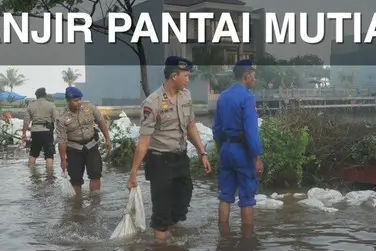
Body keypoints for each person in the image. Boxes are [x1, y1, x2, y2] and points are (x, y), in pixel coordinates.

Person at [127, 56, 212, 240]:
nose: (188, 79)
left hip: (180, 157)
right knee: (162, 211)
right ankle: (162, 250)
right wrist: (134, 172)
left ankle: (167, 235)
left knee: (182, 204)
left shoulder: (185, 96)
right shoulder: (152, 103)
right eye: (185, 75)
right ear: (174, 76)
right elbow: (144, 141)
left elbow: (190, 126)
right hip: (160, 161)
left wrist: (202, 152)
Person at [213, 59, 264, 234]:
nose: (254, 79)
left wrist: (220, 150)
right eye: (253, 75)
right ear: (247, 75)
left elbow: (217, 129)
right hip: (242, 152)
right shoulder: (247, 97)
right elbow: (251, 131)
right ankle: (248, 242)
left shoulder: (223, 96)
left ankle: (223, 237)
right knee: (247, 197)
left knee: (225, 195)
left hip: (226, 149)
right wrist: (257, 156)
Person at [56, 86, 111, 193]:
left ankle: (95, 204)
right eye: (75, 100)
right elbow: (62, 140)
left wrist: (107, 139)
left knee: (95, 175)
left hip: (91, 146)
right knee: (76, 180)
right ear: (68, 101)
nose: (79, 102)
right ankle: (77, 205)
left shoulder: (89, 107)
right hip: (73, 149)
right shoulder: (61, 117)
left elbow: (101, 122)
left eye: (80, 99)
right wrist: (63, 160)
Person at [22, 87, 58, 170]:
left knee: (33, 153)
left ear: (36, 96)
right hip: (47, 132)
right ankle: (49, 174)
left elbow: (26, 121)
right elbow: (56, 119)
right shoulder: (51, 105)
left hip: (35, 132)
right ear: (45, 95)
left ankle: (32, 172)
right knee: (49, 154)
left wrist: (24, 133)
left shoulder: (30, 106)